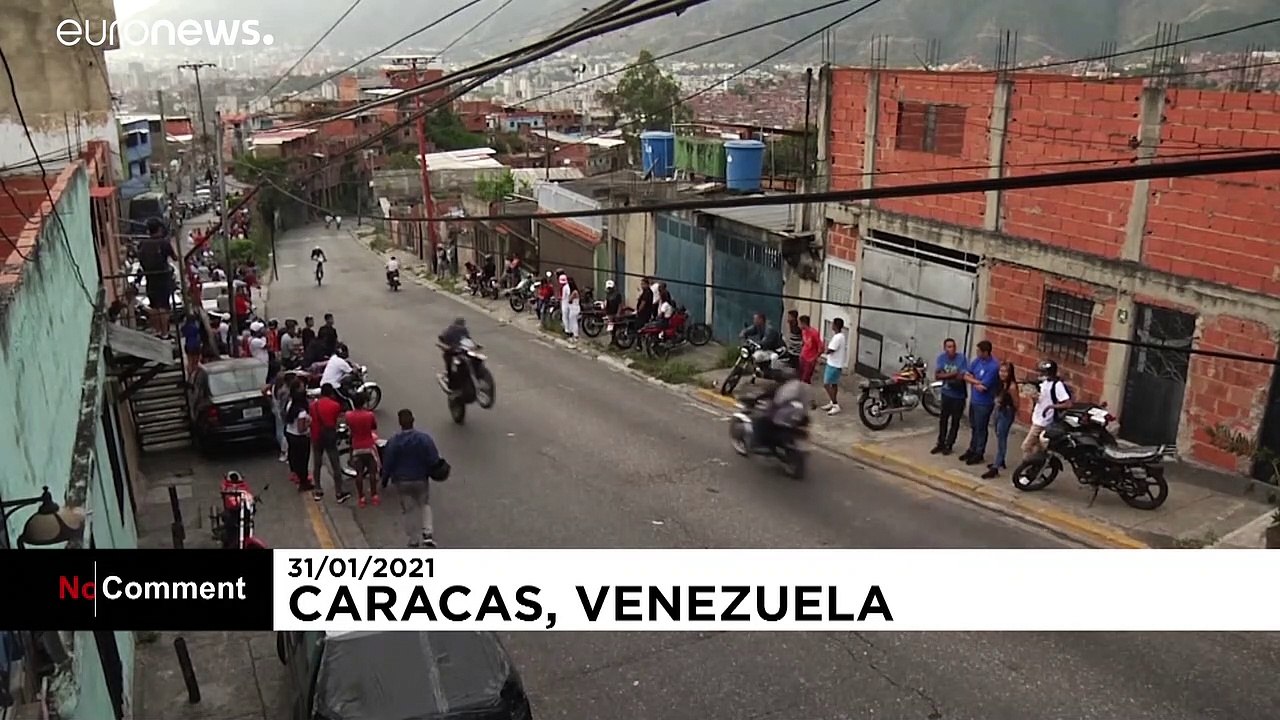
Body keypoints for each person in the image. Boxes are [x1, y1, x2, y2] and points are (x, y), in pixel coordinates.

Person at [380, 409, 442, 548]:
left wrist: (384, 480)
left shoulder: (394, 442)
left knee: (408, 510)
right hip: (421, 479)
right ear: (413, 420)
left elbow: (387, 463)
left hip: (402, 481)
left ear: (400, 423)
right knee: (424, 504)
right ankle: (427, 534)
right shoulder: (424, 439)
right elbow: (434, 458)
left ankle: (413, 539)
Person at [961, 340, 1001, 467]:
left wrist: (974, 381)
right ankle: (972, 449)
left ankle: (979, 452)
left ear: (986, 352)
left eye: (979, 351)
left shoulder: (993, 367)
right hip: (974, 400)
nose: (977, 353)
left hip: (984, 403)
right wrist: (976, 382)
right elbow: (966, 375)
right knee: (974, 426)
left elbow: (983, 387)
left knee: (981, 428)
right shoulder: (977, 361)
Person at [1022, 359, 1074, 458]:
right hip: (1038, 417)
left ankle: (1030, 462)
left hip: (1045, 420)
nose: (1041, 374)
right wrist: (1034, 397)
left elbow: (1068, 404)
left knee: (1026, 446)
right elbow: (1041, 399)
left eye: (1044, 372)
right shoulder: (1044, 383)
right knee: (1038, 446)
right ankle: (1039, 463)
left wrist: (1051, 406)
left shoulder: (1057, 385)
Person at [748, 368, 809, 450]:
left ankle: (759, 443)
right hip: (800, 415)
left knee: (761, 420)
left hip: (785, 416)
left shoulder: (783, 388)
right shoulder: (801, 386)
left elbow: (778, 401)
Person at [137, 217, 178, 338]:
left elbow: (140, 260)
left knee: (154, 305)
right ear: (159, 229)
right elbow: (175, 257)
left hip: (150, 279)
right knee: (164, 307)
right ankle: (165, 333)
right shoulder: (164, 243)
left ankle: (158, 331)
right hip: (163, 278)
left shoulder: (143, 244)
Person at [309, 384, 348, 502]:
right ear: (331, 393)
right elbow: (338, 422)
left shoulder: (313, 405)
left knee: (317, 463)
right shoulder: (335, 405)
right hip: (329, 436)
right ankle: (339, 492)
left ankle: (317, 490)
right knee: (335, 464)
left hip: (316, 436)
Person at [931, 338, 969, 456]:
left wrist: (945, 375)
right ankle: (940, 442)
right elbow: (937, 376)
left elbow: (961, 375)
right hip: (946, 393)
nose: (951, 349)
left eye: (953, 347)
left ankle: (949, 444)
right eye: (948, 347)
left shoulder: (961, 358)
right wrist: (952, 374)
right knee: (943, 419)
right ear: (945, 348)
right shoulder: (941, 358)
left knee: (955, 421)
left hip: (958, 396)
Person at [983, 362, 1021, 480]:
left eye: (1005, 372)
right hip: (998, 410)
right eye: (1001, 371)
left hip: (1006, 412)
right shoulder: (1000, 383)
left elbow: (1016, 403)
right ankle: (1001, 460)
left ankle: (996, 467)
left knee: (1002, 437)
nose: (1002, 374)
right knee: (997, 432)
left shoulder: (1012, 387)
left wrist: (1010, 409)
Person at [344, 394, 381, 508]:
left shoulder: (348, 415)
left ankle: (361, 497)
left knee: (359, 473)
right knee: (372, 472)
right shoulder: (369, 415)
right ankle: (374, 495)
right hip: (369, 446)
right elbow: (374, 426)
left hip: (356, 447)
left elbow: (349, 428)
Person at [283, 381, 313, 489]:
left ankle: (297, 475)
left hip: (290, 433)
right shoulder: (301, 412)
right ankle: (304, 482)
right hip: (300, 438)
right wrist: (309, 423)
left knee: (295, 457)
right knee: (303, 460)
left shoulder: (290, 404)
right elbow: (301, 429)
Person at [820, 318, 847, 416]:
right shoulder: (841, 336)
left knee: (826, 384)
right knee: (834, 384)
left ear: (835, 326)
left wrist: (822, 352)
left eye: (833, 324)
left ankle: (835, 404)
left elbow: (831, 350)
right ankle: (832, 401)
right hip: (836, 363)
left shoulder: (837, 338)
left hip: (834, 364)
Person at [438, 317, 471, 392]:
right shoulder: (462, 330)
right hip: (455, 350)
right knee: (452, 363)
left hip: (457, 350)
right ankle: (451, 379)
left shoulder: (451, 329)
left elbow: (441, 337)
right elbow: (468, 339)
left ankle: (452, 379)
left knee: (452, 362)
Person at [798, 315, 822, 400]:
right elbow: (804, 343)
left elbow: (821, 348)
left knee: (805, 379)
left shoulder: (814, 333)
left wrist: (814, 358)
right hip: (803, 357)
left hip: (810, 359)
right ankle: (806, 396)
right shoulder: (803, 332)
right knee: (802, 378)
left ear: (804, 323)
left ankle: (808, 398)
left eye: (800, 323)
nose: (799, 325)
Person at [269, 371, 291, 463]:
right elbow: (284, 403)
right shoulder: (283, 390)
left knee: (279, 431)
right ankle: (285, 451)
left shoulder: (274, 387)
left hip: (275, 409)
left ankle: (283, 451)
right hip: (282, 411)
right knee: (284, 433)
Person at [180, 313, 203, 380]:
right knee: (195, 362)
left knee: (190, 361)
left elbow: (182, 332)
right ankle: (194, 376)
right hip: (196, 344)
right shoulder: (196, 326)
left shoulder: (185, 327)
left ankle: (189, 375)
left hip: (188, 345)